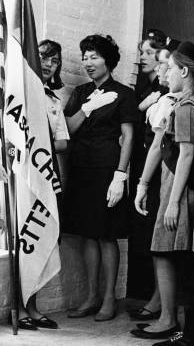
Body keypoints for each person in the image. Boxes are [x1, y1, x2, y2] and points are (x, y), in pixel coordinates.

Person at [130, 41, 194, 343]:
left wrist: (173, 202)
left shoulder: (189, 105)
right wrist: (143, 184)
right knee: (163, 249)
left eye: (171, 67)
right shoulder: (177, 103)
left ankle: (169, 319)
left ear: (185, 71)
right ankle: (168, 316)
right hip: (168, 180)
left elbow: (187, 154)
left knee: (168, 251)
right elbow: (159, 144)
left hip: (179, 184)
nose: (166, 72)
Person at [63, 34, 139, 321]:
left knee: (107, 235)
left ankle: (109, 299)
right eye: (85, 57)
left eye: (94, 56)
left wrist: (121, 175)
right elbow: (68, 128)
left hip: (108, 170)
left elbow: (129, 136)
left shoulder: (123, 93)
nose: (87, 62)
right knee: (87, 235)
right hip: (82, 169)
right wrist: (87, 107)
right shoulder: (81, 93)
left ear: (108, 60)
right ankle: (92, 295)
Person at [8, 39, 68, 330]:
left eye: (54, 60)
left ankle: (33, 306)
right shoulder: (19, 94)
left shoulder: (53, 100)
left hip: (45, 172)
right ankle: (16, 308)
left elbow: (63, 141)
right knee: (20, 238)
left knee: (40, 233)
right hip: (20, 173)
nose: (48, 64)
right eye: (43, 57)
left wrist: (41, 142)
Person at [129, 42, 174, 322]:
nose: (161, 68)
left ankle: (165, 308)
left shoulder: (173, 101)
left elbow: (159, 146)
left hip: (162, 174)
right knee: (155, 242)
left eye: (165, 63)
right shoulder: (160, 98)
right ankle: (159, 301)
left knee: (163, 244)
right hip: (152, 170)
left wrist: (143, 184)